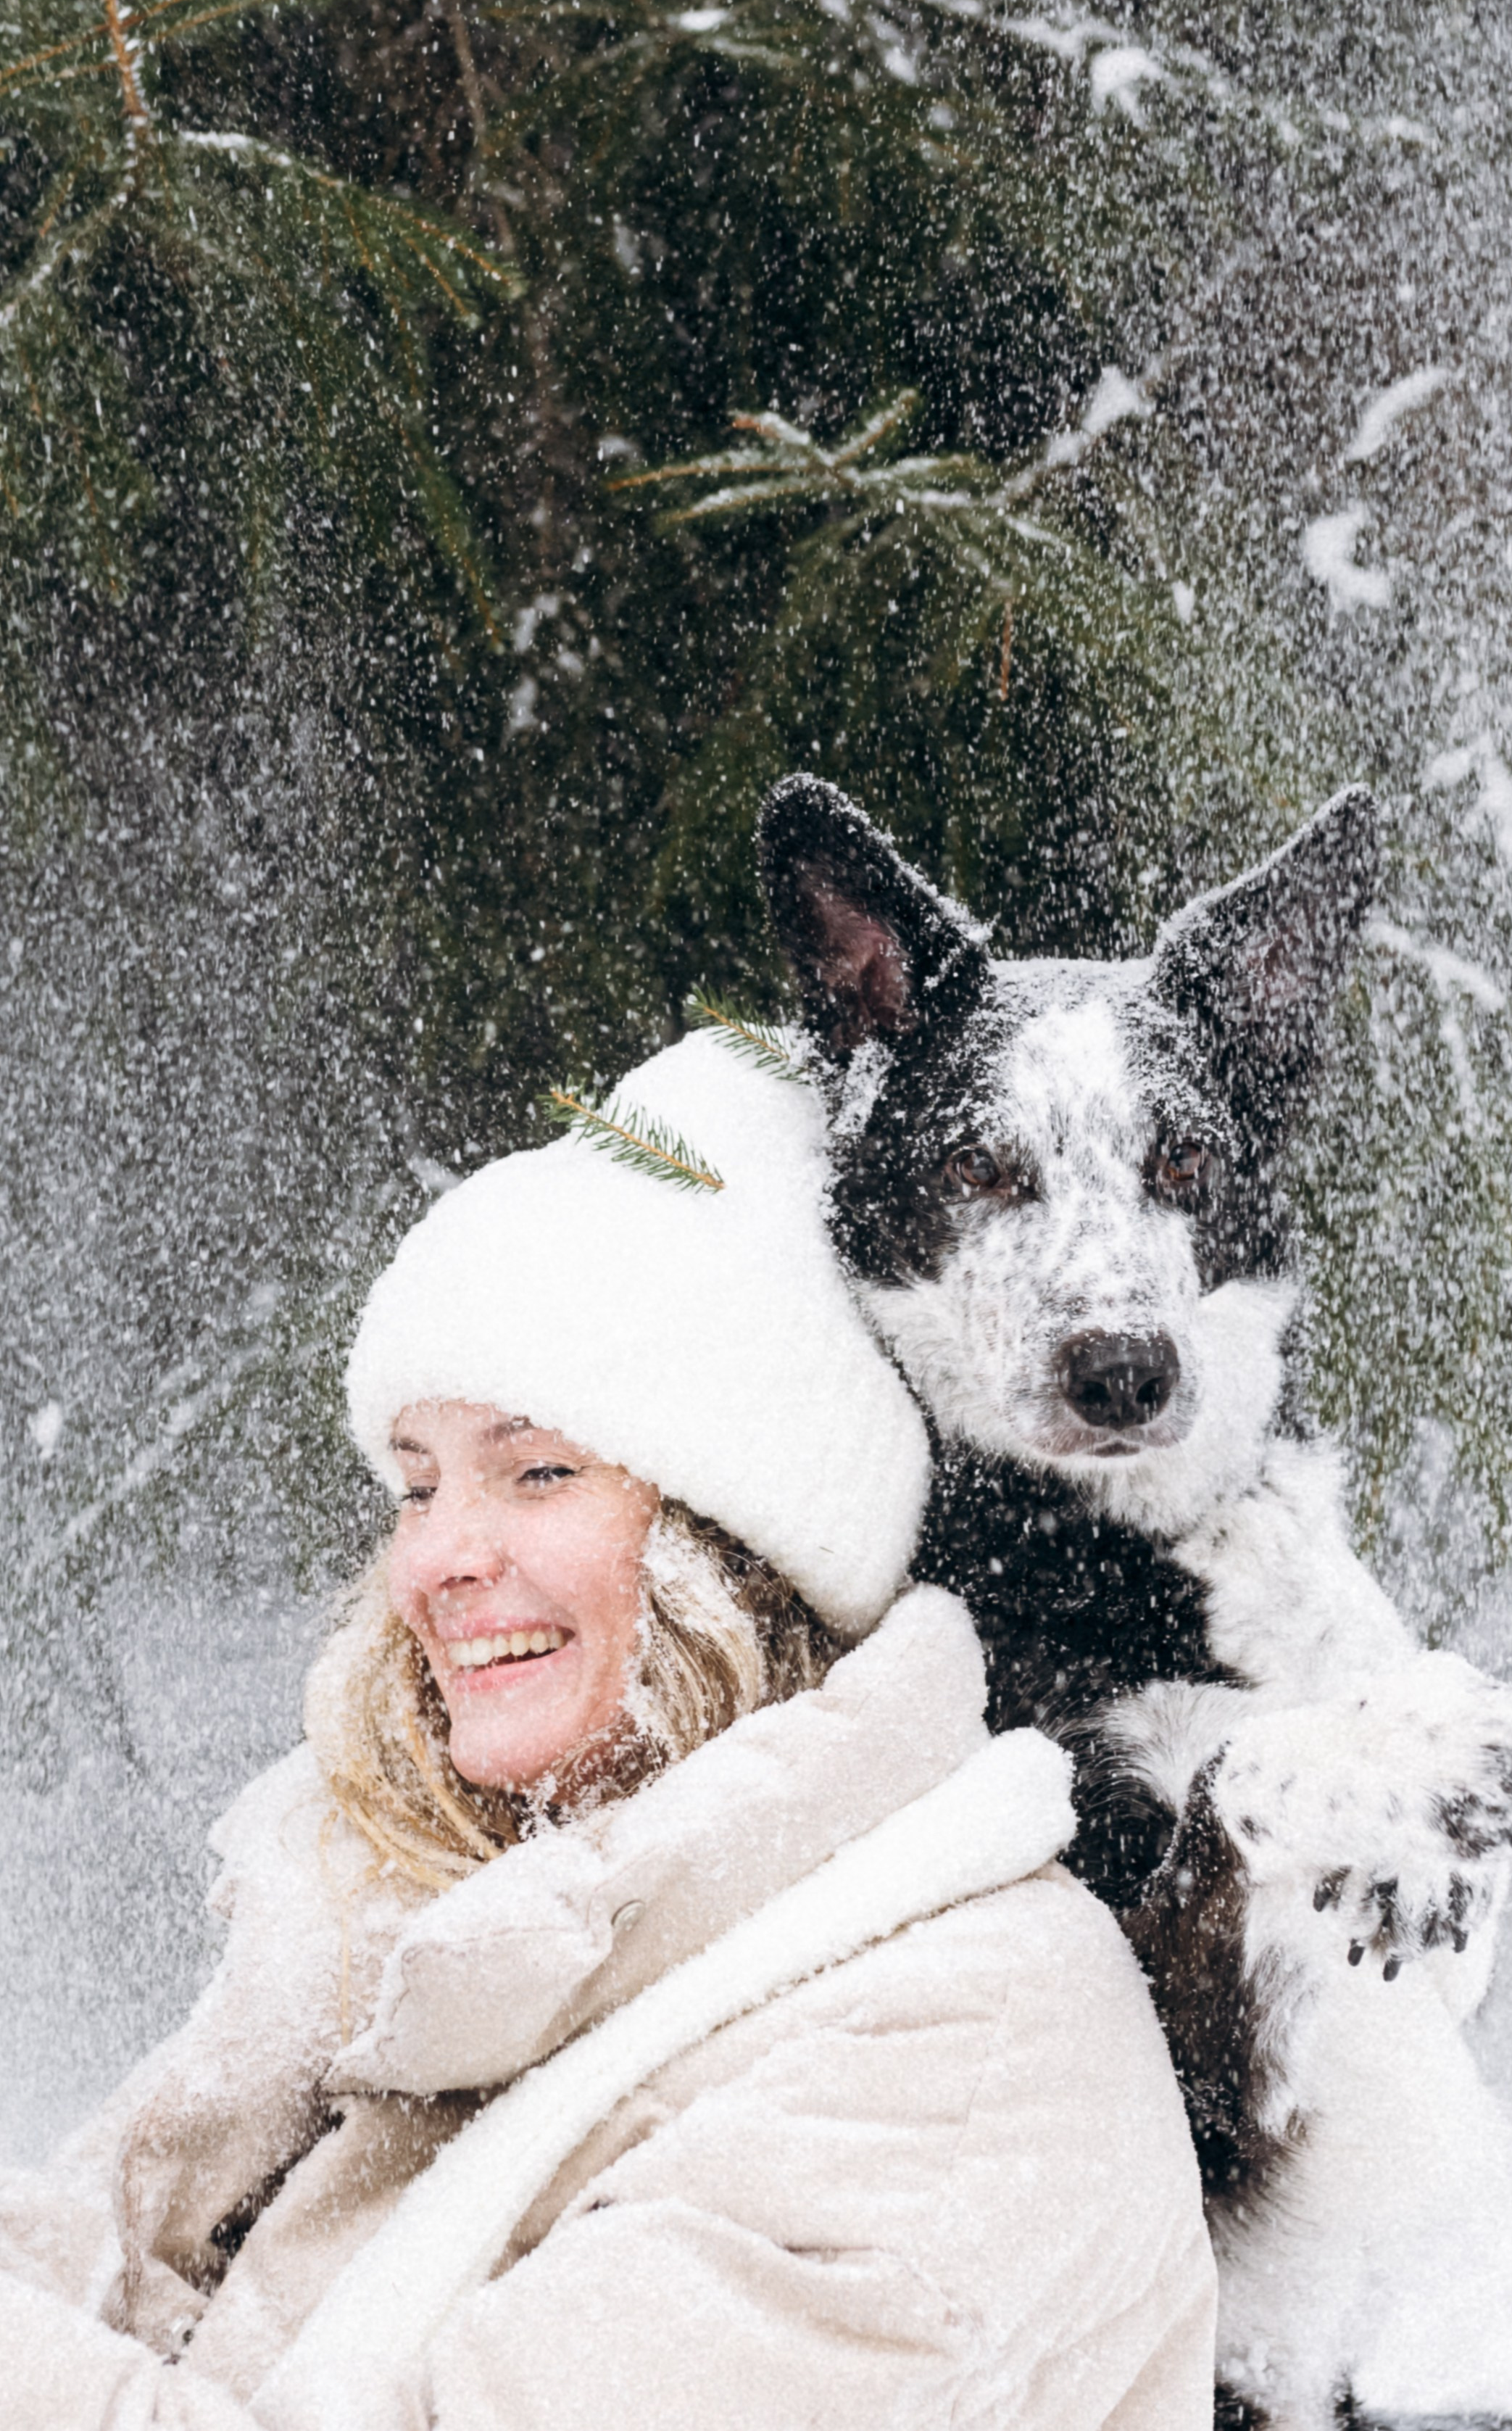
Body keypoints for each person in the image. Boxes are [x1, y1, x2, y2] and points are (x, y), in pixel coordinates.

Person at [0, 1031, 1216, 2430]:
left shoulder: (968, 2043)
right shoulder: (397, 1926)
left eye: (536, 1471)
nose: (436, 1559)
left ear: (738, 1533)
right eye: (415, 1484)